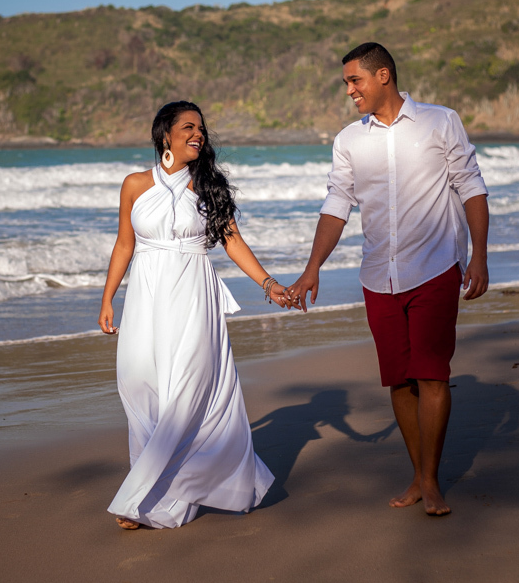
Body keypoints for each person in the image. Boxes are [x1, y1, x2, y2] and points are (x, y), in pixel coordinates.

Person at [287, 42, 490, 517]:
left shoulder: (441, 122)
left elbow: (471, 188)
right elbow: (337, 205)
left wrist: (479, 256)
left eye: (355, 81)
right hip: (379, 275)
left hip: (436, 267)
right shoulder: (348, 141)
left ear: (384, 76)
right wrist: (312, 266)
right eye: (347, 84)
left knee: (432, 374)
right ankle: (418, 475)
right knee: (399, 381)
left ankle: (432, 481)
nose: (350, 91)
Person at [98, 101, 285, 529]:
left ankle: (142, 498)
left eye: (200, 128)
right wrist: (107, 298)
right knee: (140, 385)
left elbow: (232, 242)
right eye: (188, 127)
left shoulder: (208, 188)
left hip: (193, 297)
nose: (198, 134)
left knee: (185, 391)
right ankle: (160, 488)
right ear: (166, 134)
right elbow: (124, 244)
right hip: (145, 298)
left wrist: (268, 283)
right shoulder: (133, 185)